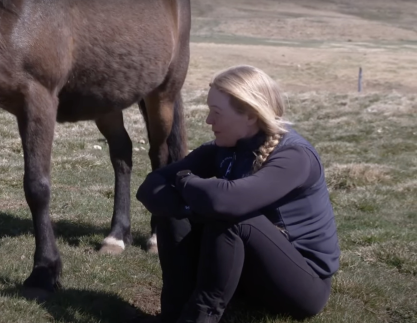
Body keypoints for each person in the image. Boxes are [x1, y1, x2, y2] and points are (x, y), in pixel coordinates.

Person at [136, 65, 340, 323]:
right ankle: (173, 314)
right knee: (173, 212)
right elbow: (150, 186)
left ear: (251, 115)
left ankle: (200, 317)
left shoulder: (294, 156)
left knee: (232, 218)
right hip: (251, 275)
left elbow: (228, 200)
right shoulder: (225, 148)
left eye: (216, 113)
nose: (209, 121)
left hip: (301, 286)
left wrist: (184, 180)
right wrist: (186, 209)